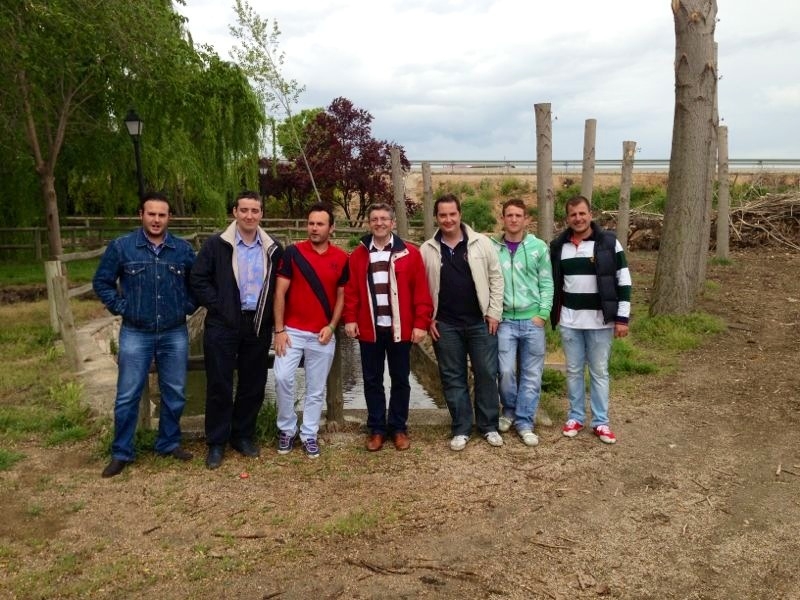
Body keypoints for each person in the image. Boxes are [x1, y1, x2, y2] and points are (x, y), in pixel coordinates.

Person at [93, 192, 196, 478]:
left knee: (174, 392)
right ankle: (122, 452)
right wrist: (122, 307)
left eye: (162, 215)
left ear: (169, 218)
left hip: (174, 331)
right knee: (127, 394)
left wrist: (185, 307)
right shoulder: (123, 247)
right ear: (141, 215)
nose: (156, 219)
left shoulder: (182, 250)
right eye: (151, 214)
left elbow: (197, 283)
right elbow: (102, 282)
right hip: (135, 332)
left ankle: (168, 443)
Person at [190, 190, 283, 469]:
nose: (249, 215)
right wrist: (218, 305)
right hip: (223, 323)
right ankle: (216, 441)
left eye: (255, 211)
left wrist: (275, 322)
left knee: (252, 384)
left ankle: (242, 435)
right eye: (244, 210)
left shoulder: (273, 248)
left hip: (257, 324)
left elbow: (281, 286)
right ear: (235, 212)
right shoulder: (217, 245)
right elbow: (198, 278)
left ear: (261, 214)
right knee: (219, 382)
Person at [343, 203, 433, 452]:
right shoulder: (359, 255)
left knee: (400, 379)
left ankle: (398, 427)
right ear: (369, 223)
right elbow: (351, 292)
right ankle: (376, 429)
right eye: (374, 219)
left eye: (384, 218)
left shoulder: (409, 254)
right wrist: (350, 319)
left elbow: (421, 292)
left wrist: (420, 323)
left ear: (392, 223)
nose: (379, 223)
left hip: (399, 329)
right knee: (372, 380)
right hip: (370, 329)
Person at [420, 193, 504, 451]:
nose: (448, 219)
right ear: (437, 217)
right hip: (445, 325)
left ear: (460, 214)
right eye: (443, 215)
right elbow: (421, 289)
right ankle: (461, 428)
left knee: (487, 374)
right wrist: (427, 319)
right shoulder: (427, 249)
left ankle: (489, 426)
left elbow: (496, 278)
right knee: (452, 376)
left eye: (452, 214)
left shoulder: (482, 244)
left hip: (480, 322)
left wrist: (494, 312)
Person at [549, 195, 632, 444]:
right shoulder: (558, 246)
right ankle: (575, 416)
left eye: (582, 213)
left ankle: (601, 422)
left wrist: (622, 318)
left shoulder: (608, 242)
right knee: (573, 371)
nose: (578, 218)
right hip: (570, 321)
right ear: (567, 218)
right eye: (573, 214)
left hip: (600, 322)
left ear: (590, 214)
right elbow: (554, 283)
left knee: (598, 371)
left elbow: (624, 280)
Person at [273, 203, 349, 459]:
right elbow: (280, 292)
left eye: (320, 224)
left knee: (316, 388)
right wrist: (279, 329)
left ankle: (309, 434)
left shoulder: (341, 258)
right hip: (291, 331)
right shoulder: (292, 253)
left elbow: (341, 297)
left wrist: (332, 326)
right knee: (282, 378)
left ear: (331, 228)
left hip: (322, 334)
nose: (314, 228)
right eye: (311, 223)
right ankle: (286, 429)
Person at [491, 198, 554, 447]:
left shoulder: (537, 247)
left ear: (526, 219)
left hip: (532, 321)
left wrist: (543, 314)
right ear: (503, 218)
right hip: (505, 320)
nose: (514, 219)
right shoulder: (494, 247)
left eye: (518, 215)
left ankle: (525, 421)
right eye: (509, 215)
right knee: (505, 371)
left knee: (531, 374)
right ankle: (509, 410)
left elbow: (547, 283)